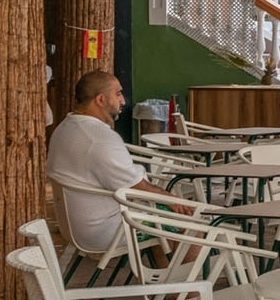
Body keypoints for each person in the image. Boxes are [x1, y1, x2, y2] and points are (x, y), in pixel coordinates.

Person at [49, 71, 189, 254]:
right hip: (106, 231)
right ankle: (190, 281)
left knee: (160, 213)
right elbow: (137, 187)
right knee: (188, 222)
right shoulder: (99, 138)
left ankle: (161, 277)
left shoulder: (65, 127)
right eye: (118, 93)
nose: (123, 101)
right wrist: (172, 200)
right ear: (100, 99)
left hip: (79, 227)